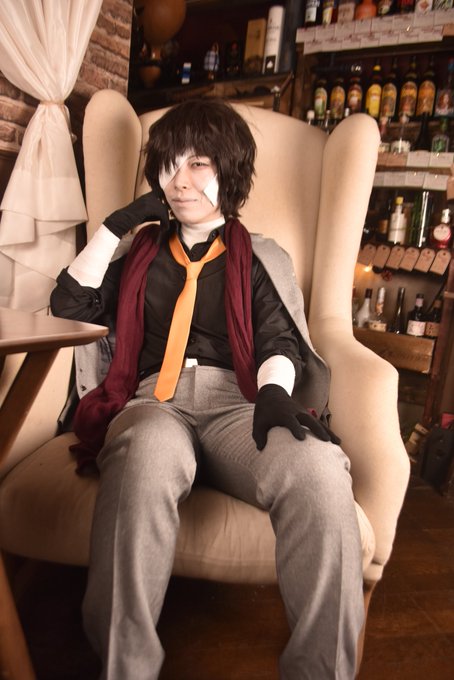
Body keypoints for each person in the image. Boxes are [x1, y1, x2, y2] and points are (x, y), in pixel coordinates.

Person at [50, 98, 364, 680]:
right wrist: (117, 225)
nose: (179, 179)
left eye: (198, 163)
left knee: (320, 469)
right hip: (153, 401)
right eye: (169, 163)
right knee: (143, 458)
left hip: (240, 403)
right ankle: (125, 669)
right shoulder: (137, 253)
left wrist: (275, 394)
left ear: (230, 171)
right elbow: (69, 303)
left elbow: (278, 340)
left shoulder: (263, 257)